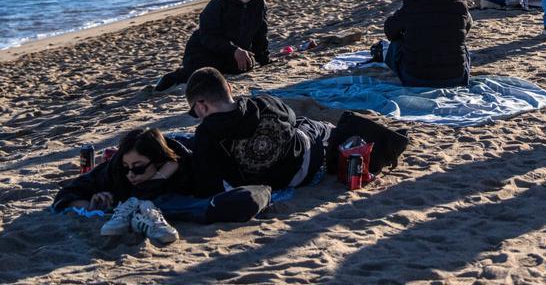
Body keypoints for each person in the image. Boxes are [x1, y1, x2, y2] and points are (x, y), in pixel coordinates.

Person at [186, 67, 408, 190]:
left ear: (202, 105)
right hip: (306, 162)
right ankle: (382, 143)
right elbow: (291, 118)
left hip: (272, 185)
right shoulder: (263, 103)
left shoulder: (206, 135)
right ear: (229, 87)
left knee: (308, 126)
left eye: (194, 111)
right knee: (311, 125)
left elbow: (205, 179)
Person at [53, 127, 270, 238]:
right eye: (126, 168)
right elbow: (65, 195)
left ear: (159, 161)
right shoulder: (117, 168)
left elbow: (222, 189)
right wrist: (90, 204)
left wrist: (163, 176)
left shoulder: (191, 166)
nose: (130, 175)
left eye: (138, 168)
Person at [154, 0, 268, 92]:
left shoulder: (258, 4)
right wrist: (234, 50)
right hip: (202, 51)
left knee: (247, 66)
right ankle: (170, 77)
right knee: (204, 77)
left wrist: (264, 60)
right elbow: (208, 37)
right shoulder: (217, 5)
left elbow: (260, 34)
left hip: (231, 52)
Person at [384, 0, 472, 86]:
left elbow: (390, 31)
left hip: (414, 77)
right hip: (456, 78)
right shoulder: (460, 6)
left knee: (396, 44)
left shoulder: (413, 2)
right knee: (461, 45)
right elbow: (468, 26)